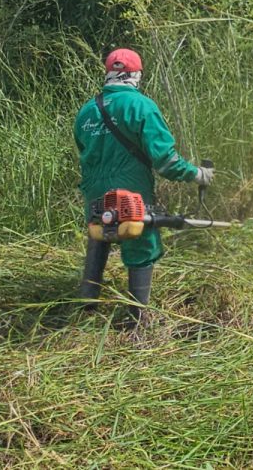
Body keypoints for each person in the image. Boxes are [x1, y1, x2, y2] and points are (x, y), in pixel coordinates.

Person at [74, 48, 213, 327]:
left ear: (109, 74)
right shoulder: (142, 107)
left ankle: (87, 303)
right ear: (136, 75)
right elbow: (165, 161)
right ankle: (138, 319)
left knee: (99, 233)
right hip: (131, 191)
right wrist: (196, 174)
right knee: (140, 242)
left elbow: (83, 151)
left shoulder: (87, 110)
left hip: (95, 191)